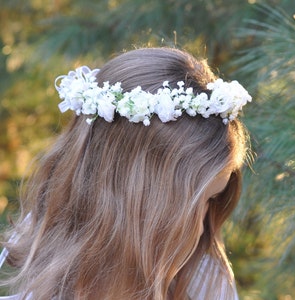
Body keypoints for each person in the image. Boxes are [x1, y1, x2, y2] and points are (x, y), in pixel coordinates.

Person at [0, 47, 252, 299]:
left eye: (210, 200)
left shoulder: (204, 284)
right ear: (118, 199)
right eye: (184, 207)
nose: (200, 230)